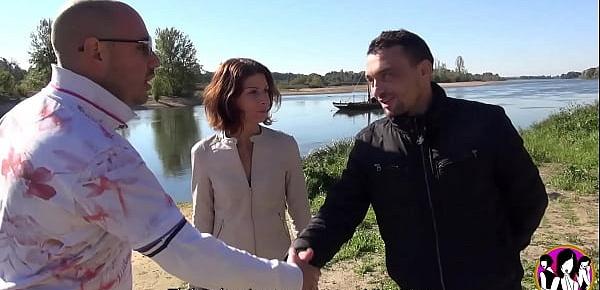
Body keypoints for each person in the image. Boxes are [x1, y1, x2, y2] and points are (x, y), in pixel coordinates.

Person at [0, 1, 317, 289]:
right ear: (95, 50)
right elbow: (185, 251)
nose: (156, 60)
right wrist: (292, 277)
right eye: (143, 47)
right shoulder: (99, 151)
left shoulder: (17, 119)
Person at [292, 29, 548, 290]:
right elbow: (339, 211)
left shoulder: (485, 123)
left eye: (387, 75)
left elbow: (529, 198)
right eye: (371, 80)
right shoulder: (370, 144)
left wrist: (497, 255)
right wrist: (306, 250)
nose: (376, 91)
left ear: (424, 71)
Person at [190, 58, 312, 288]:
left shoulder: (285, 146)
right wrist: (198, 276)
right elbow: (202, 220)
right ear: (229, 96)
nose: (264, 99)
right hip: (227, 266)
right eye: (253, 92)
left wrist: (306, 260)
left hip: (277, 264)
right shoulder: (204, 153)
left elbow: (299, 210)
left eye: (266, 90)